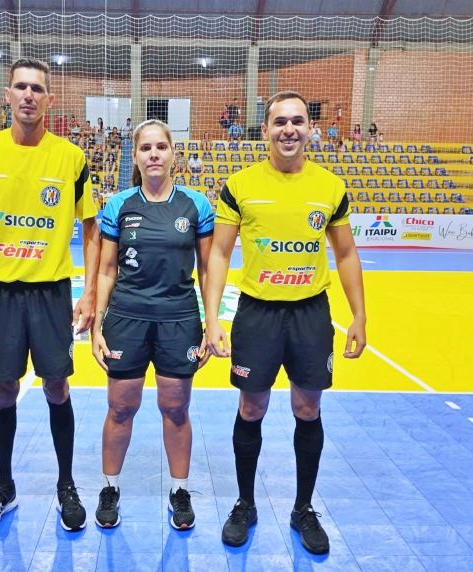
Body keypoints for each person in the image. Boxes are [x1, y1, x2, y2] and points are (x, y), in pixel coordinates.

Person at [204, 91, 366, 554]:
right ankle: (245, 504)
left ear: (310, 129)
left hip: (310, 313)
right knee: (251, 408)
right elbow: (219, 253)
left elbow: (346, 253)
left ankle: (302, 509)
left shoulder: (330, 187)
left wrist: (359, 315)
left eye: (298, 121)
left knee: (307, 410)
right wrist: (212, 318)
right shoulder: (241, 185)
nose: (289, 129)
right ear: (265, 130)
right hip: (257, 313)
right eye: (280, 122)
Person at [0, 58, 101, 533]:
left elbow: (91, 228)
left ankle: (66, 485)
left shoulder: (70, 158)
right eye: (21, 87)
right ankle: (4, 486)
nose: (29, 95)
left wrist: (89, 293)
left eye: (37, 88)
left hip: (50, 293)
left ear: (49, 100)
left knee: (57, 386)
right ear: (8, 95)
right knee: (3, 389)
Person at [91, 119, 213, 530]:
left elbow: (208, 270)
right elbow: (106, 270)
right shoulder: (118, 205)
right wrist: (97, 326)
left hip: (179, 319)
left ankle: (180, 491)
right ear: (136, 156)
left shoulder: (196, 205)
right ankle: (110, 487)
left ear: (173, 154)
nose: (154, 154)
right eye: (146, 148)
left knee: (176, 409)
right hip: (127, 318)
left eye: (161, 146)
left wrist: (212, 323)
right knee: (120, 407)